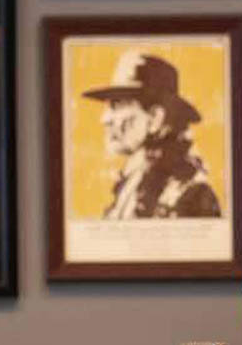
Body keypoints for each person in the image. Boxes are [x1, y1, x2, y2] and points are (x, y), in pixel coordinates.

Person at [82, 51, 221, 219]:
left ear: (155, 118)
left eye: (117, 106)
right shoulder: (130, 182)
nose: (104, 119)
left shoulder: (192, 193)